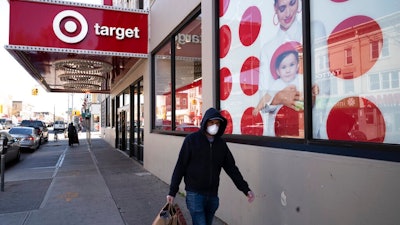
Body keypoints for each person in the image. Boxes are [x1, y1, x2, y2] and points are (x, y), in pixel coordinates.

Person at [167, 107, 255, 225]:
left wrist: (245, 189)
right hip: (195, 194)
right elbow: (180, 166)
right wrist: (172, 191)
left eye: (217, 123)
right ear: (205, 122)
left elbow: (232, 168)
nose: (214, 126)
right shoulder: (191, 140)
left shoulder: (221, 144)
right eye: (211, 122)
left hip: (213, 196)